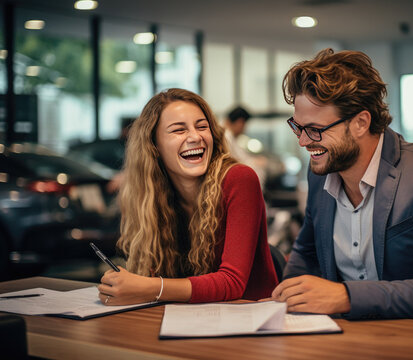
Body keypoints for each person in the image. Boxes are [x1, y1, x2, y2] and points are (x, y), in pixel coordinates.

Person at [270, 49, 413, 326]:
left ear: (361, 123)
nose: (303, 142)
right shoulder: (320, 172)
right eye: (298, 127)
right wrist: (284, 304)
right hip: (357, 341)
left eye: (315, 129)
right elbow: (307, 252)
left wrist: (346, 296)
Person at [97, 88, 278, 305]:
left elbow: (232, 282)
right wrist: (124, 285)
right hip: (189, 320)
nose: (195, 137)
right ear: (154, 145)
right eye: (178, 130)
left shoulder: (239, 178)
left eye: (202, 127)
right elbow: (152, 276)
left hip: (250, 320)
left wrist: (147, 287)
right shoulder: (152, 194)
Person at [224, 106, 267, 186]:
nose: (245, 128)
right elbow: (235, 162)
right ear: (240, 122)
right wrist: (255, 162)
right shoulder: (226, 137)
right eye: (244, 124)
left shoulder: (231, 137)